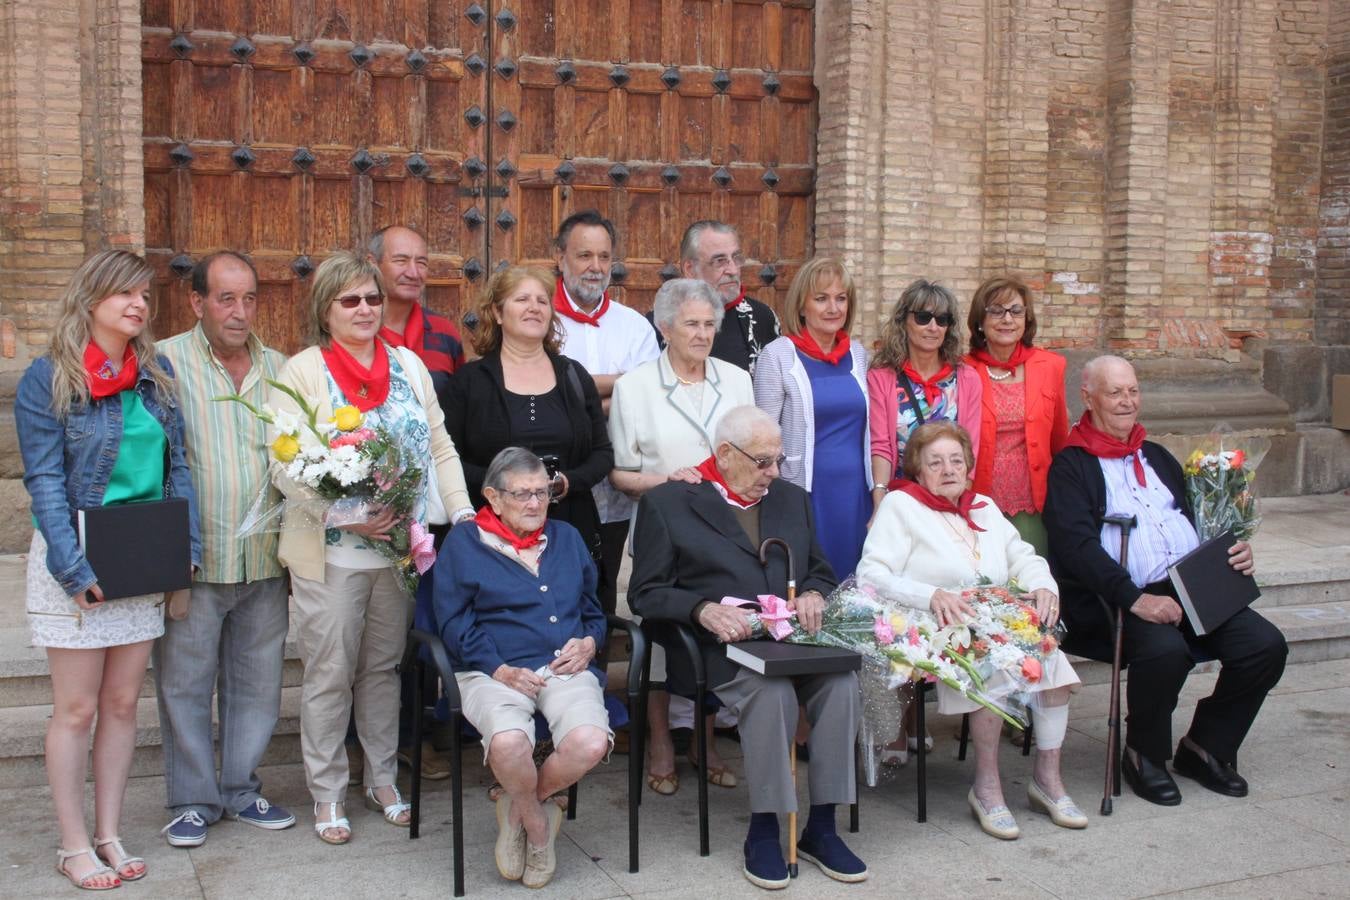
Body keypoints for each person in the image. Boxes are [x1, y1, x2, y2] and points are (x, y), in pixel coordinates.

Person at [269, 251, 473, 844]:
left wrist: (459, 512)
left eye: (372, 299)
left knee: (382, 670)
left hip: (398, 552)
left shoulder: (408, 363)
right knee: (330, 672)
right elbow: (286, 463)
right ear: (325, 310)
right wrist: (351, 514)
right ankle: (327, 791)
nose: (365, 309)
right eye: (350, 300)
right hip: (331, 554)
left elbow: (439, 447)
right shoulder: (302, 370)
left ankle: (382, 778)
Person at [16, 249, 201, 889]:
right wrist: (72, 568)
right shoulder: (50, 377)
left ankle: (108, 834)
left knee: (123, 704)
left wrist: (185, 546)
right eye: (125, 294)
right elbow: (43, 481)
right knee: (75, 709)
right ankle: (73, 845)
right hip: (77, 560)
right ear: (91, 298)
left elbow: (178, 466)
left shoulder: (155, 370)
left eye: (145, 296)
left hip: (140, 555)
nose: (138, 306)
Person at [629, 405, 866, 890]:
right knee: (771, 693)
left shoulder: (792, 499)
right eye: (762, 461)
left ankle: (821, 826)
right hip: (720, 647)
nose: (773, 473)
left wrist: (817, 593)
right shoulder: (670, 503)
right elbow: (646, 592)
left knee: (842, 683)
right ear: (724, 455)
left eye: (777, 460)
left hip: (791, 642)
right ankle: (763, 828)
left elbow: (820, 567)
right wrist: (701, 608)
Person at [1043, 355, 1288, 806]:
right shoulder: (1072, 467)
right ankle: (1145, 754)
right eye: (1115, 392)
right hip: (1118, 597)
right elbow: (1076, 550)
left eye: (1132, 391)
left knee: (1264, 645)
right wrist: (1135, 599)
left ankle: (1206, 746)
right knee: (1165, 651)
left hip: (1191, 586)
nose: (1126, 401)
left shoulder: (1155, 454)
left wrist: (1233, 549)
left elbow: (1198, 518)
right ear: (1089, 397)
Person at [857, 421, 1086, 840]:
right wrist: (930, 596)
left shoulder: (983, 506)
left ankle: (1047, 780)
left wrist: (1043, 585)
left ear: (969, 466)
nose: (948, 470)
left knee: (1052, 663)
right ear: (919, 470)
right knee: (991, 662)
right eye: (936, 462)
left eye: (956, 461)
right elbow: (871, 574)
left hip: (994, 615)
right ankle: (987, 787)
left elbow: (1024, 555)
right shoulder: (901, 506)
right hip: (933, 621)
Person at [154, 252, 293, 849]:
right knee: (184, 683)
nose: (240, 313)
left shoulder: (282, 369)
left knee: (258, 682)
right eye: (226, 299)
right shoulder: (162, 363)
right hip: (195, 557)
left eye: (249, 299)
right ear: (197, 302)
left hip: (266, 557)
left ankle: (241, 789)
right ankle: (191, 800)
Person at [434, 448, 612, 889]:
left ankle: (517, 809)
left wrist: (590, 643)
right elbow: (453, 622)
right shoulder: (464, 542)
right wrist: (498, 668)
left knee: (589, 742)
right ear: (493, 497)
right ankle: (537, 829)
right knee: (511, 744)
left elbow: (593, 609)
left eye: (542, 493)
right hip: (490, 669)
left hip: (564, 666)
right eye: (522, 494)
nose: (535, 504)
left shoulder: (567, 538)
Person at [609, 277, 754, 797]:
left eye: (710, 323)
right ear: (664, 327)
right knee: (662, 633)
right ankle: (661, 743)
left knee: (720, 627)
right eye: (691, 323)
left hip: (724, 533)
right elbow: (622, 474)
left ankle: (706, 740)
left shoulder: (738, 380)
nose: (702, 333)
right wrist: (666, 481)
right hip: (660, 530)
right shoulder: (635, 387)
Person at [866, 278, 981, 761]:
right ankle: (893, 725)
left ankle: (916, 721)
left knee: (938, 607)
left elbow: (967, 448)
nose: (933, 327)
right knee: (900, 614)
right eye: (923, 316)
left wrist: (962, 513)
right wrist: (878, 502)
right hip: (900, 504)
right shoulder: (884, 377)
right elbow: (880, 444)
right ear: (905, 320)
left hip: (948, 506)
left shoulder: (966, 378)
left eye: (943, 319)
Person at [443, 266, 614, 565]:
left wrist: (565, 482)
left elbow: (602, 453)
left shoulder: (573, 375)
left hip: (570, 531)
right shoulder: (469, 382)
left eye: (542, 301)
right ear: (497, 312)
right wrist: (511, 490)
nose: (534, 307)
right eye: (522, 299)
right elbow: (447, 459)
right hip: (493, 536)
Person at [550, 210, 659, 633]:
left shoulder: (634, 326)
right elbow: (546, 391)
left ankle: (595, 677)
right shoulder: (543, 320)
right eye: (584, 256)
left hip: (616, 483)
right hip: (558, 482)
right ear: (561, 258)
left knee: (603, 585)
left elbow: (645, 395)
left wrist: (575, 389)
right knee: (553, 585)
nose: (595, 267)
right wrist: (617, 387)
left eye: (603, 257)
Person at [753, 257, 871, 578]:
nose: (833, 307)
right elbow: (764, 435)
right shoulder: (778, 355)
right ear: (802, 306)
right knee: (814, 580)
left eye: (841, 298)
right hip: (804, 491)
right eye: (821, 298)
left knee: (857, 580)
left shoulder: (858, 355)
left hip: (856, 492)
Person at [963, 275, 1069, 556]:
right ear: (980, 322)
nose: (1006, 319)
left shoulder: (1051, 366)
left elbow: (1059, 439)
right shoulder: (962, 370)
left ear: (1026, 318)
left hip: (1032, 500)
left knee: (1032, 582)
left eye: (1015, 311)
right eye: (996, 311)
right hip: (977, 499)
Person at [650, 220, 779, 374]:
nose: (733, 270)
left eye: (736, 258)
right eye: (720, 261)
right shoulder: (659, 323)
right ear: (690, 269)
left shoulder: (762, 317)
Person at [369, 224, 465, 393]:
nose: (413, 273)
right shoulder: (358, 329)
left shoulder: (444, 332)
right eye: (401, 261)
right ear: (372, 263)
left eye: (421, 263)